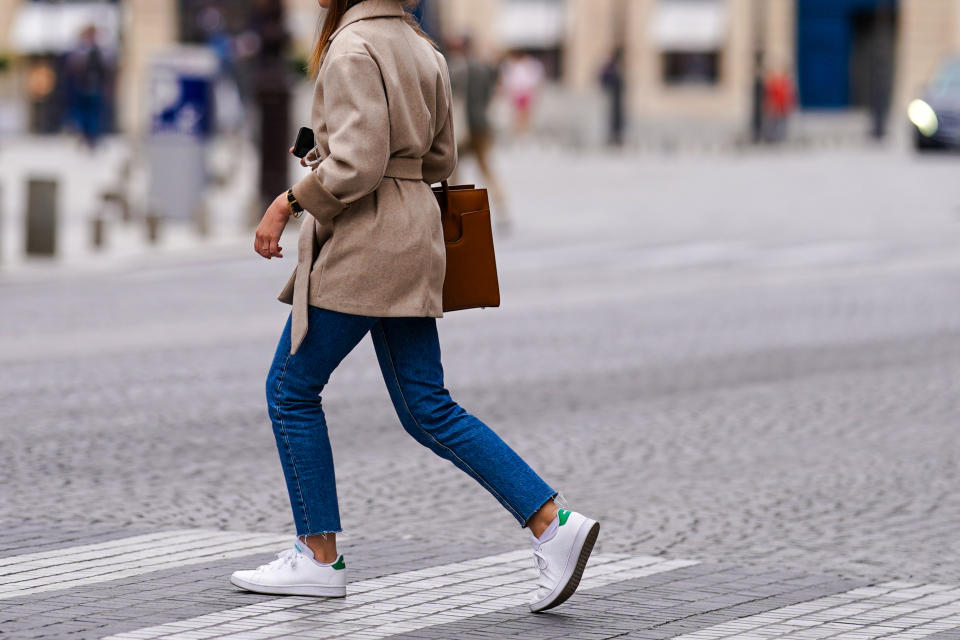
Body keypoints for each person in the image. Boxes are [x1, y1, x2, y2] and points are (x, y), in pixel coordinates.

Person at [229, 0, 600, 614]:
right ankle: (552, 523)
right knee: (428, 406)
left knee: (291, 389)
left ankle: (318, 557)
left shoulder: (352, 48)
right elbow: (439, 159)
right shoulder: (420, 46)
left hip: (365, 243)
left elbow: (357, 163)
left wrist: (289, 201)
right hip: (414, 234)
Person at [447, 34, 511, 231]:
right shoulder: (483, 68)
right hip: (481, 125)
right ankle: (502, 208)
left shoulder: (454, 68)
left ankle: (453, 211)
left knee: (453, 172)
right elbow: (490, 95)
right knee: (487, 169)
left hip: (461, 127)